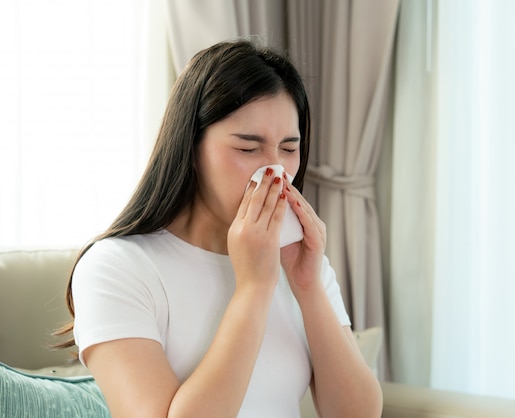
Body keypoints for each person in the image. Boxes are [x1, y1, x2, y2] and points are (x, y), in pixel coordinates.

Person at [58, 39, 383, 417]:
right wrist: (253, 288)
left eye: (289, 149)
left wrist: (309, 286)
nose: (276, 172)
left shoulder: (301, 263)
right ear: (191, 148)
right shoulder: (116, 268)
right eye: (248, 149)